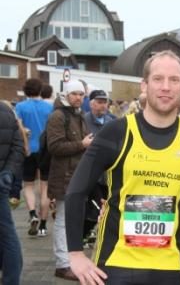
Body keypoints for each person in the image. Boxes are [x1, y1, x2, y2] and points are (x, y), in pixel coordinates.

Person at [65, 50, 180, 285]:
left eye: (173, 80)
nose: (166, 87)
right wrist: (75, 254)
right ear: (144, 85)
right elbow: (76, 191)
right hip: (118, 265)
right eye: (158, 79)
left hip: (171, 266)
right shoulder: (116, 133)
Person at [47, 80, 93, 281]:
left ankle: (68, 260)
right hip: (64, 175)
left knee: (71, 219)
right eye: (75, 94)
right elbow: (55, 147)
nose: (78, 98)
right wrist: (81, 144)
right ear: (66, 94)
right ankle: (62, 263)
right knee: (63, 221)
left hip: (76, 175)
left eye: (81, 95)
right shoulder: (58, 116)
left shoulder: (78, 115)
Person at [15, 78, 53, 236]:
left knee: (29, 185)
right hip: (46, 150)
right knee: (45, 187)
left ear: (25, 90)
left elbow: (19, 127)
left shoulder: (20, 106)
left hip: (28, 149)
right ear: (40, 90)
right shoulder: (49, 107)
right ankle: (43, 226)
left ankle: (32, 214)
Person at [83, 89, 115, 245]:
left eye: (105, 102)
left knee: (107, 206)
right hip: (90, 172)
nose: (103, 105)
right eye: (99, 102)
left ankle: (99, 234)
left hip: (108, 172)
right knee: (94, 206)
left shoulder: (113, 122)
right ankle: (85, 233)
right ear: (91, 103)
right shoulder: (83, 121)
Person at [0, 100, 25, 285]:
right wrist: (8, 172)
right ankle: (11, 278)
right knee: (7, 232)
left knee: (6, 233)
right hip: (3, 180)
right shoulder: (7, 111)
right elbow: (19, 146)